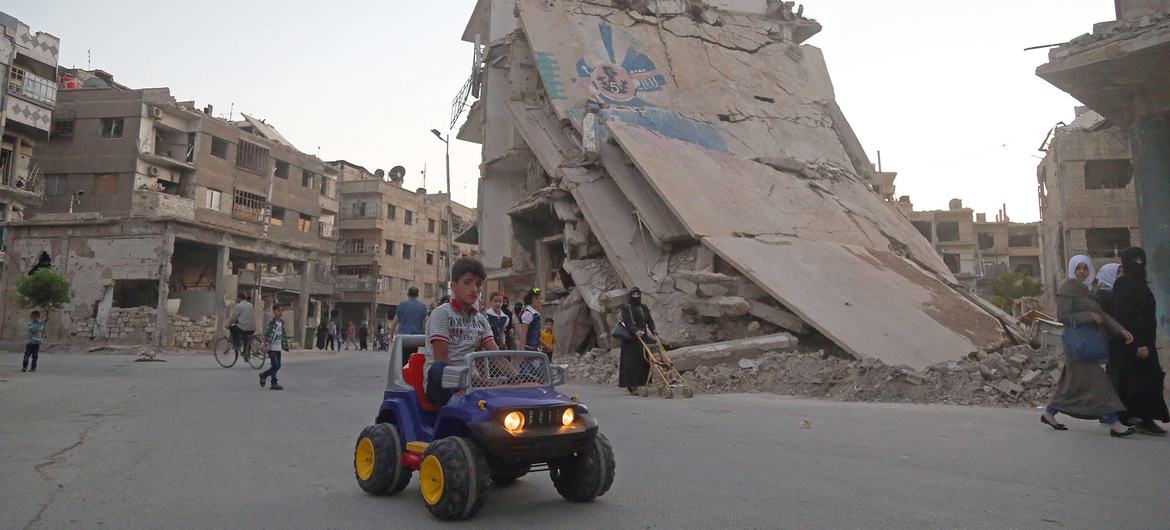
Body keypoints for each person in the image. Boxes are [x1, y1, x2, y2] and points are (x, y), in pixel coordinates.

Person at [1042, 255, 1136, 437]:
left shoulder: (1087, 289)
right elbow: (1062, 316)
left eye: (1085, 268)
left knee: (1071, 383)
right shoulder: (1068, 288)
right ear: (1073, 270)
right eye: (1079, 268)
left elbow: (1102, 314)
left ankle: (1049, 412)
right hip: (1077, 344)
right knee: (1099, 381)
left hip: (1085, 343)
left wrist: (1120, 330)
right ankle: (1113, 422)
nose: (1082, 272)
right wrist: (1088, 316)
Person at [1108, 247, 1169, 435]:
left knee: (1144, 380)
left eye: (1141, 260)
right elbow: (1127, 316)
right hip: (1132, 344)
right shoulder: (1124, 284)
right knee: (1140, 381)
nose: (1139, 264)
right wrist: (1140, 343)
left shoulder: (1140, 283)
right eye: (1135, 261)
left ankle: (1134, 417)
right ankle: (1142, 418)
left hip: (1143, 342)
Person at [423, 258, 499, 405]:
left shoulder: (481, 320)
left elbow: (497, 357)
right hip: (443, 383)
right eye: (467, 283)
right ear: (454, 286)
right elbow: (442, 360)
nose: (474, 289)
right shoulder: (441, 314)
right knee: (440, 368)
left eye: (478, 284)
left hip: (472, 383)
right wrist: (483, 382)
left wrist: (519, 378)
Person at [617, 287, 657, 394]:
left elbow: (649, 320)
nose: (635, 297)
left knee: (644, 360)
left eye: (637, 294)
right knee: (631, 362)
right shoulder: (626, 308)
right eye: (633, 295)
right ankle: (632, 385)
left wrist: (654, 330)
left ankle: (643, 383)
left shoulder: (643, 307)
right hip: (631, 339)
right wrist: (635, 331)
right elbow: (628, 322)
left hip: (643, 337)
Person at [390, 286, 429, 355]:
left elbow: (394, 321)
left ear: (408, 294)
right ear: (417, 295)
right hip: (416, 338)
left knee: (403, 358)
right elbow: (426, 322)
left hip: (404, 336)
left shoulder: (402, 305)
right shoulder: (423, 306)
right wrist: (426, 335)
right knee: (412, 357)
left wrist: (391, 335)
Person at [258, 304, 289, 391]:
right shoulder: (271, 324)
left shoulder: (281, 323)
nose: (280, 312)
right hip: (272, 348)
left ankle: (263, 375)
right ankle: (274, 383)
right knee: (275, 365)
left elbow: (282, 335)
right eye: (278, 310)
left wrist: (285, 344)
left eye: (282, 310)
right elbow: (265, 334)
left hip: (278, 348)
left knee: (278, 366)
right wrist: (264, 345)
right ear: (274, 312)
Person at [517, 288, 544, 353]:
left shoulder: (534, 314)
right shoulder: (528, 314)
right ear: (534, 299)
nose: (542, 301)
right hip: (529, 350)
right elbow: (523, 334)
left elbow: (536, 334)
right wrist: (522, 352)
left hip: (535, 349)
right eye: (540, 299)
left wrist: (543, 344)